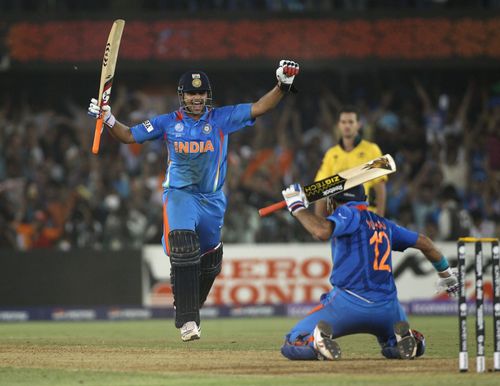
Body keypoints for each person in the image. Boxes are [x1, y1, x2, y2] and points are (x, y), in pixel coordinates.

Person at [88, 60, 300, 341]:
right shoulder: (167, 122)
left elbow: (260, 106)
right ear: (182, 96)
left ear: (206, 96)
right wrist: (109, 119)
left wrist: (282, 85)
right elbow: (128, 135)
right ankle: (188, 320)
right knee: (184, 246)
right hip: (180, 195)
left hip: (212, 199)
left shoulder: (221, 119)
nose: (196, 98)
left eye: (200, 94)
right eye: (191, 93)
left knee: (212, 260)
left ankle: (187, 304)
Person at [279, 183, 459, 360]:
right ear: (364, 200)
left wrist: (297, 207)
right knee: (391, 344)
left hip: (348, 304)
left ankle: (315, 343)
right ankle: (407, 341)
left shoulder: (347, 213)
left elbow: (320, 231)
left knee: (294, 339)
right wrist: (447, 276)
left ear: (331, 202)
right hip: (389, 309)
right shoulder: (384, 224)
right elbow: (425, 243)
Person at [314, 106, 387, 217]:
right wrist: (319, 224)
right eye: (343, 122)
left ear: (358, 124)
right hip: (338, 219)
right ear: (338, 125)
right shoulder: (331, 154)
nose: (347, 126)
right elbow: (320, 190)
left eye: (351, 122)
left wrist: (379, 220)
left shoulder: (372, 149)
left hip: (365, 216)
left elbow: (380, 188)